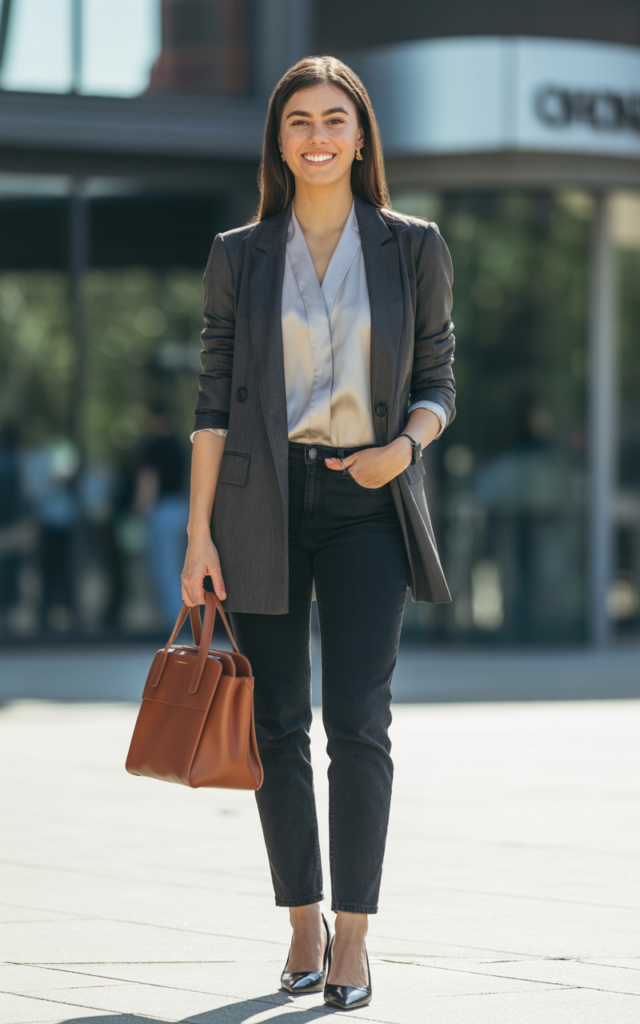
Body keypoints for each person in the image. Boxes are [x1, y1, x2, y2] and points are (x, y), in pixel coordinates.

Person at [182, 56, 455, 1011]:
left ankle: (356, 934)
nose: (317, 136)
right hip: (261, 500)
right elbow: (212, 399)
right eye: (299, 120)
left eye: (335, 119)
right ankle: (303, 915)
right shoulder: (240, 252)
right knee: (275, 721)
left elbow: (438, 377)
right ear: (280, 140)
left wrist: (403, 449)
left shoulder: (413, 246)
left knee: (360, 721)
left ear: (361, 135)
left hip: (368, 501)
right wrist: (196, 535)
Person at [134, 403, 188, 629]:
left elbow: (149, 482)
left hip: (162, 511)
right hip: (182, 508)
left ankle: (174, 626)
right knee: (177, 570)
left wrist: (140, 510)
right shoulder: (180, 445)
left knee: (164, 571)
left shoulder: (154, 446)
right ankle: (184, 623)